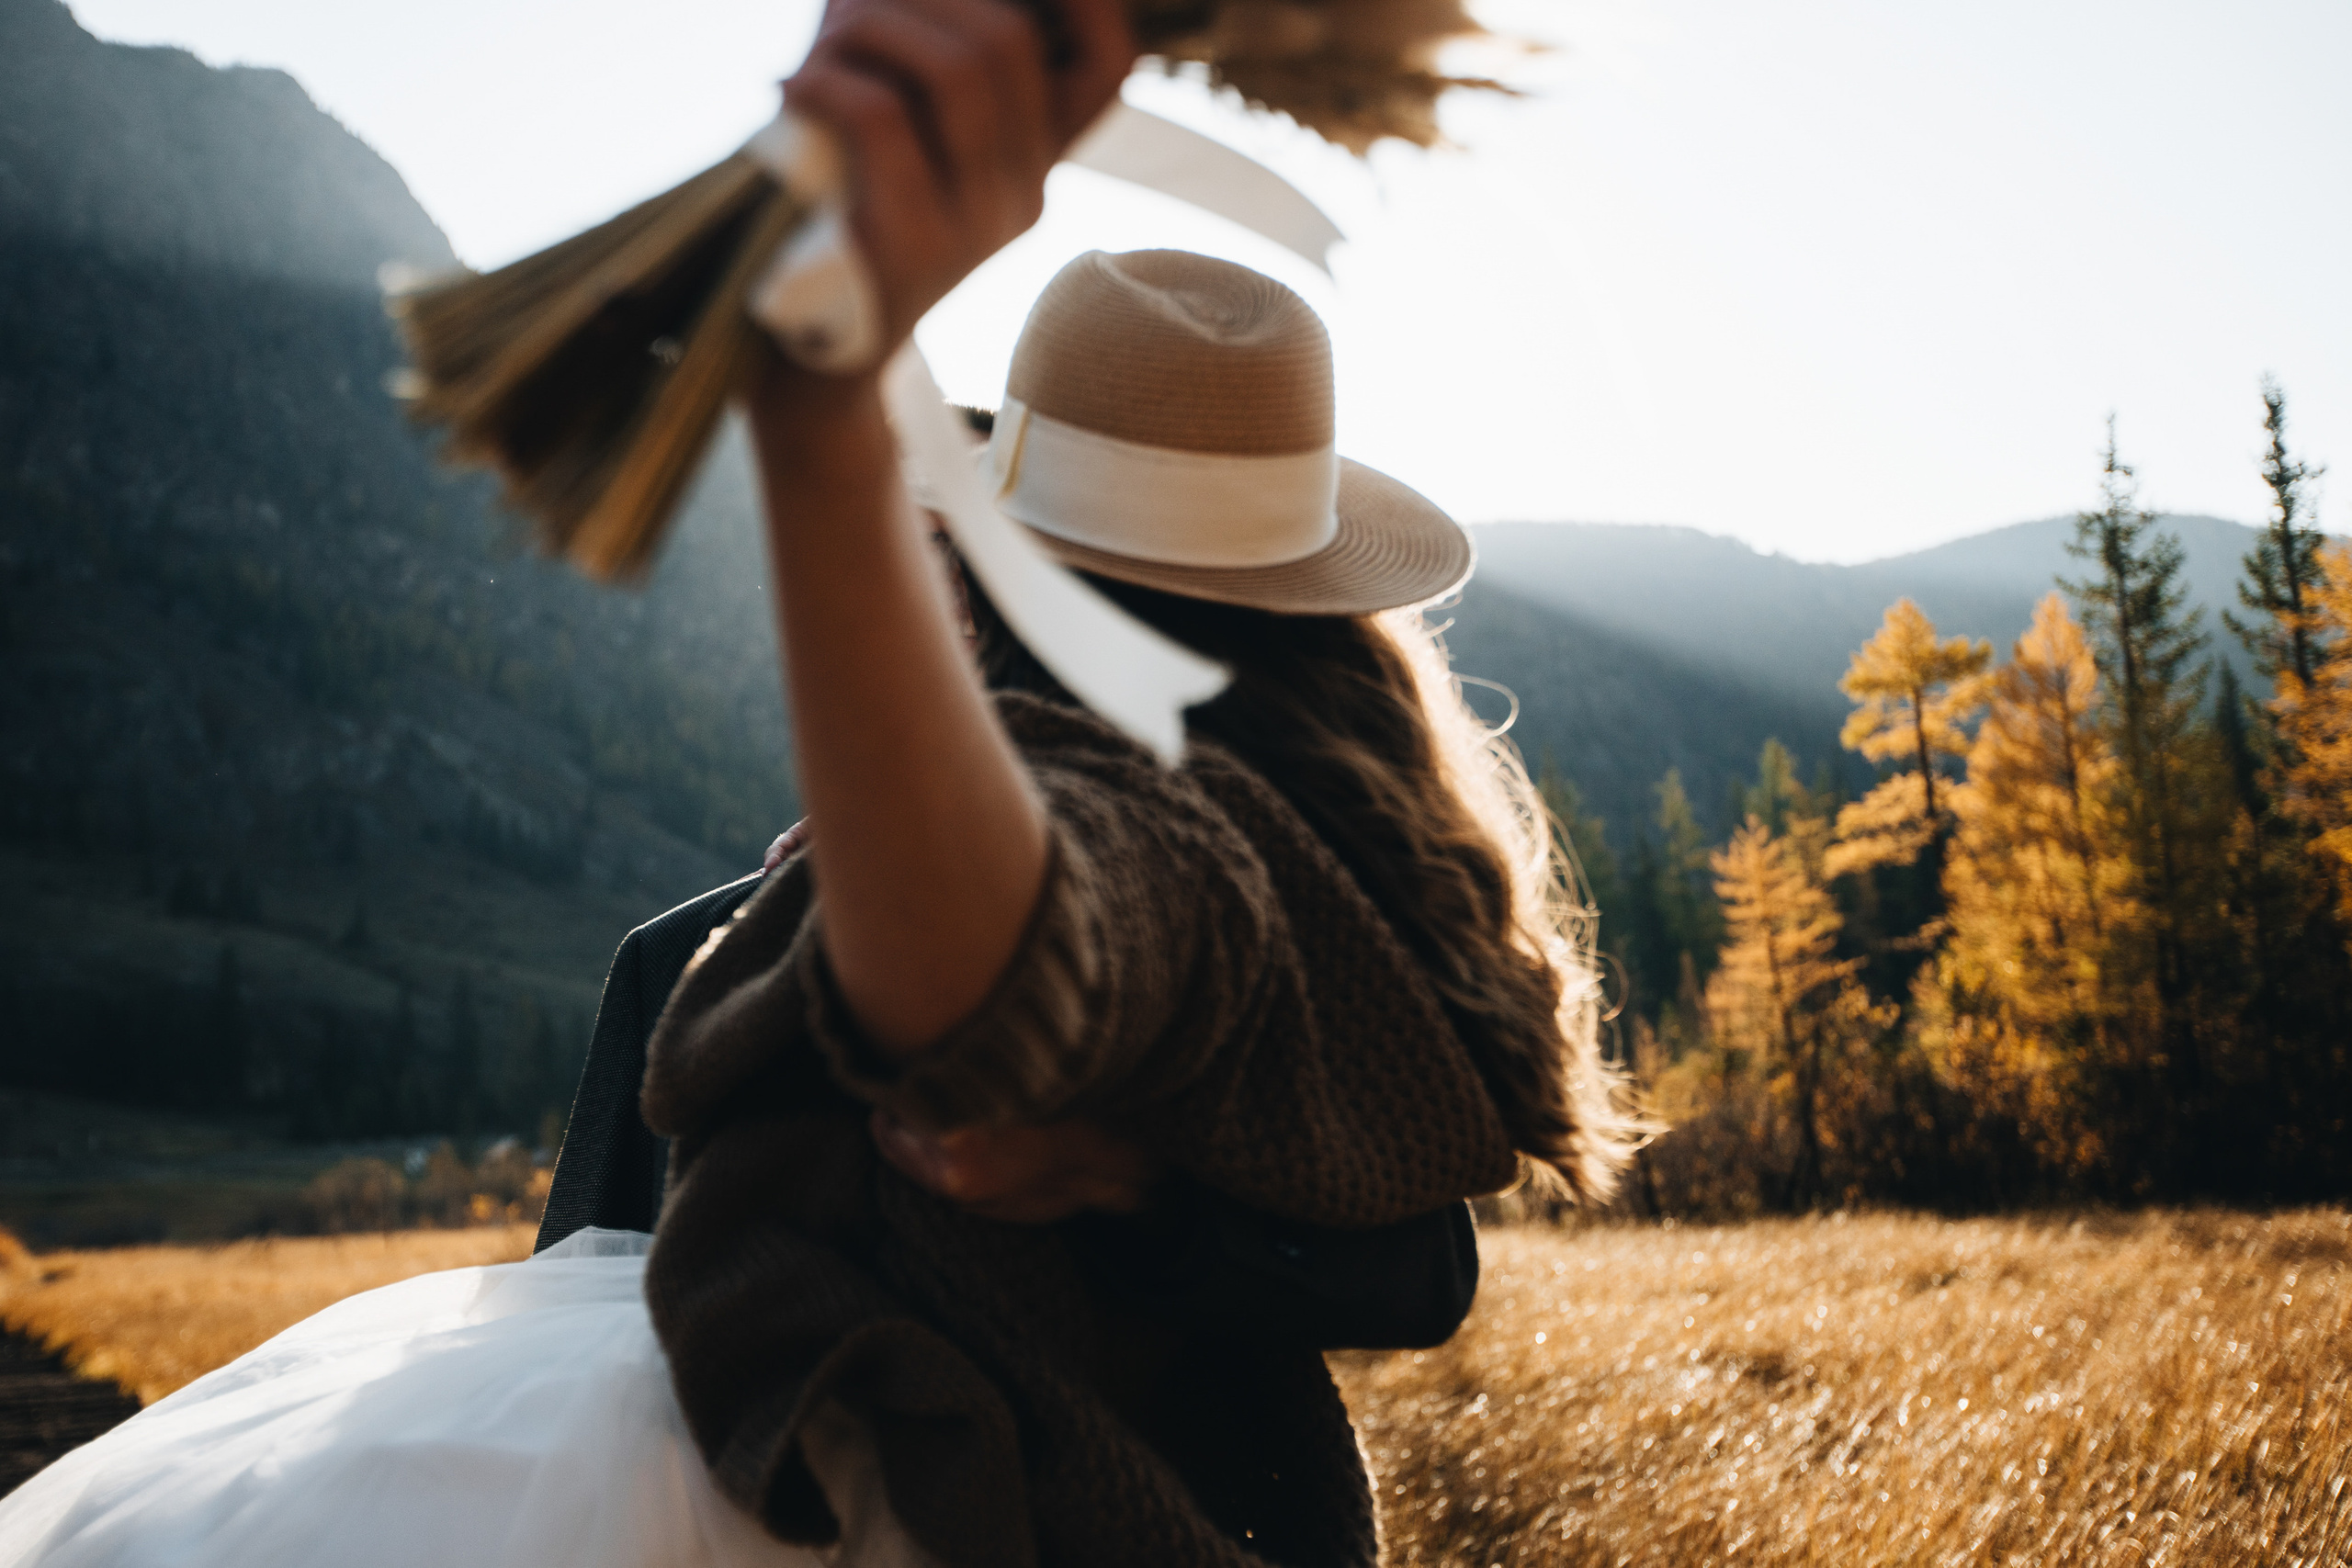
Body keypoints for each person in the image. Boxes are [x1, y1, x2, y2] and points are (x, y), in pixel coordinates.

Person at [0, 0, 1634, 1559]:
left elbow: (1039, 996)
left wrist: (823, 394)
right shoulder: (727, 942)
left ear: (991, 555)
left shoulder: (1197, 861)